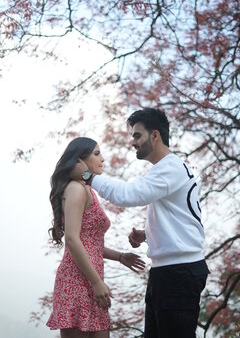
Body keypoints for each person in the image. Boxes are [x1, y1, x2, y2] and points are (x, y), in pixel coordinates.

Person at [72, 108, 210, 338]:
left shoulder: (170, 167)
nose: (133, 141)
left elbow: (128, 195)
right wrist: (147, 233)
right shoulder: (167, 169)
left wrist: (87, 177)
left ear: (155, 135)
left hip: (178, 274)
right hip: (169, 272)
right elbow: (184, 215)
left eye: (137, 135)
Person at [46, 137, 145, 338]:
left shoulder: (88, 189)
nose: (103, 159)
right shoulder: (76, 189)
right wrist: (97, 282)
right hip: (77, 280)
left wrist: (119, 256)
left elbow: (89, 243)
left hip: (92, 279)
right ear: (79, 160)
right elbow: (73, 240)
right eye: (97, 154)